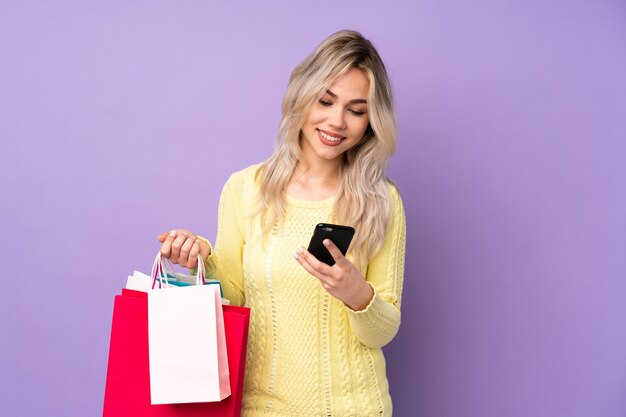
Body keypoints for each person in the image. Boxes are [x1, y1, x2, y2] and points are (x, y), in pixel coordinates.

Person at [158, 30, 406, 417]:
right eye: (326, 101)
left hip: (355, 408)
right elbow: (235, 297)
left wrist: (357, 293)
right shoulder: (246, 188)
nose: (337, 121)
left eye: (356, 111)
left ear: (371, 122)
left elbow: (383, 331)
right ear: (301, 98)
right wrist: (200, 259)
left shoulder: (381, 201)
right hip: (262, 409)